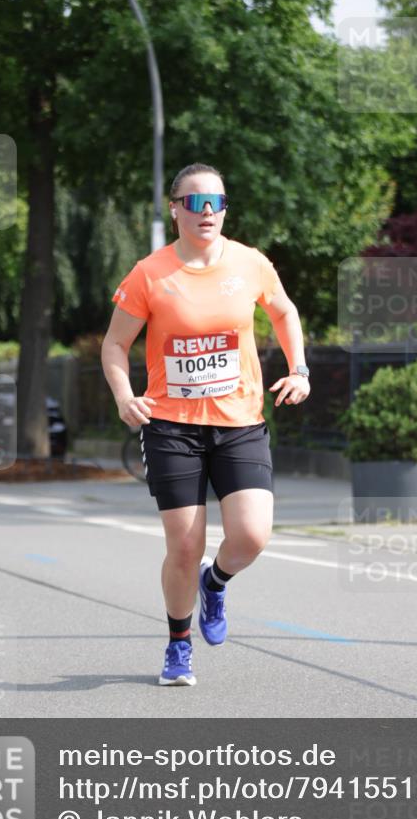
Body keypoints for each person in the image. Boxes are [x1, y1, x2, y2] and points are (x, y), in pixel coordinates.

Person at [101, 163, 310, 686]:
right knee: (184, 545)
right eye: (195, 203)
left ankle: (214, 583)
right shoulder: (149, 274)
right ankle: (177, 645)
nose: (207, 212)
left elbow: (284, 312)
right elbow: (114, 345)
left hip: (239, 421)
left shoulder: (250, 263)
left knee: (253, 535)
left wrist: (299, 368)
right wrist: (126, 396)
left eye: (217, 202)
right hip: (172, 426)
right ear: (174, 209)